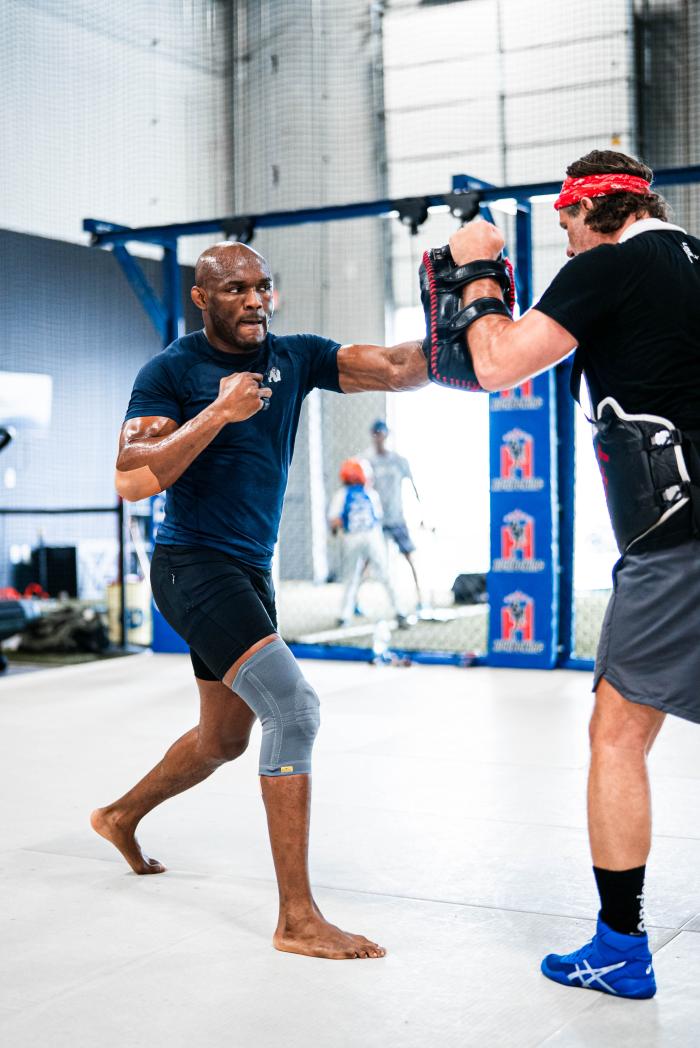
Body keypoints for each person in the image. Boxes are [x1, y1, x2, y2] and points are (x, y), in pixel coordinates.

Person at [91, 241, 428, 960]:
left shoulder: (296, 356)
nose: (255, 301)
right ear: (203, 299)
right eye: (238, 289)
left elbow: (398, 368)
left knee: (224, 739)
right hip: (191, 567)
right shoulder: (172, 371)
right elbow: (128, 478)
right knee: (294, 709)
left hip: (249, 570)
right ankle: (297, 918)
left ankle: (120, 815)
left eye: (263, 287)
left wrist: (474, 328)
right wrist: (216, 414)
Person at [440, 149, 700, 999]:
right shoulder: (695, 258)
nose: (564, 239)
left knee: (617, 737)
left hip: (677, 540)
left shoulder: (614, 266)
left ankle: (620, 947)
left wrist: (479, 273)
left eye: (565, 224)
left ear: (595, 210)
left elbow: (494, 361)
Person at [327, 457, 406, 628]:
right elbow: (376, 518)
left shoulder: (341, 494)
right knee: (385, 574)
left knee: (351, 577)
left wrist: (337, 529)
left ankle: (344, 615)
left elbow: (334, 521)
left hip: (351, 539)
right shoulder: (371, 493)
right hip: (372, 537)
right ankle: (400, 611)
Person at [365, 420, 426, 609]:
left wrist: (422, 514)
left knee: (410, 556)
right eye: (376, 434)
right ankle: (354, 603)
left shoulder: (399, 461)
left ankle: (420, 599)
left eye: (381, 434)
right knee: (366, 559)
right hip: (377, 520)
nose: (379, 438)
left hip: (397, 518)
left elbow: (413, 487)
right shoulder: (367, 461)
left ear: (386, 435)